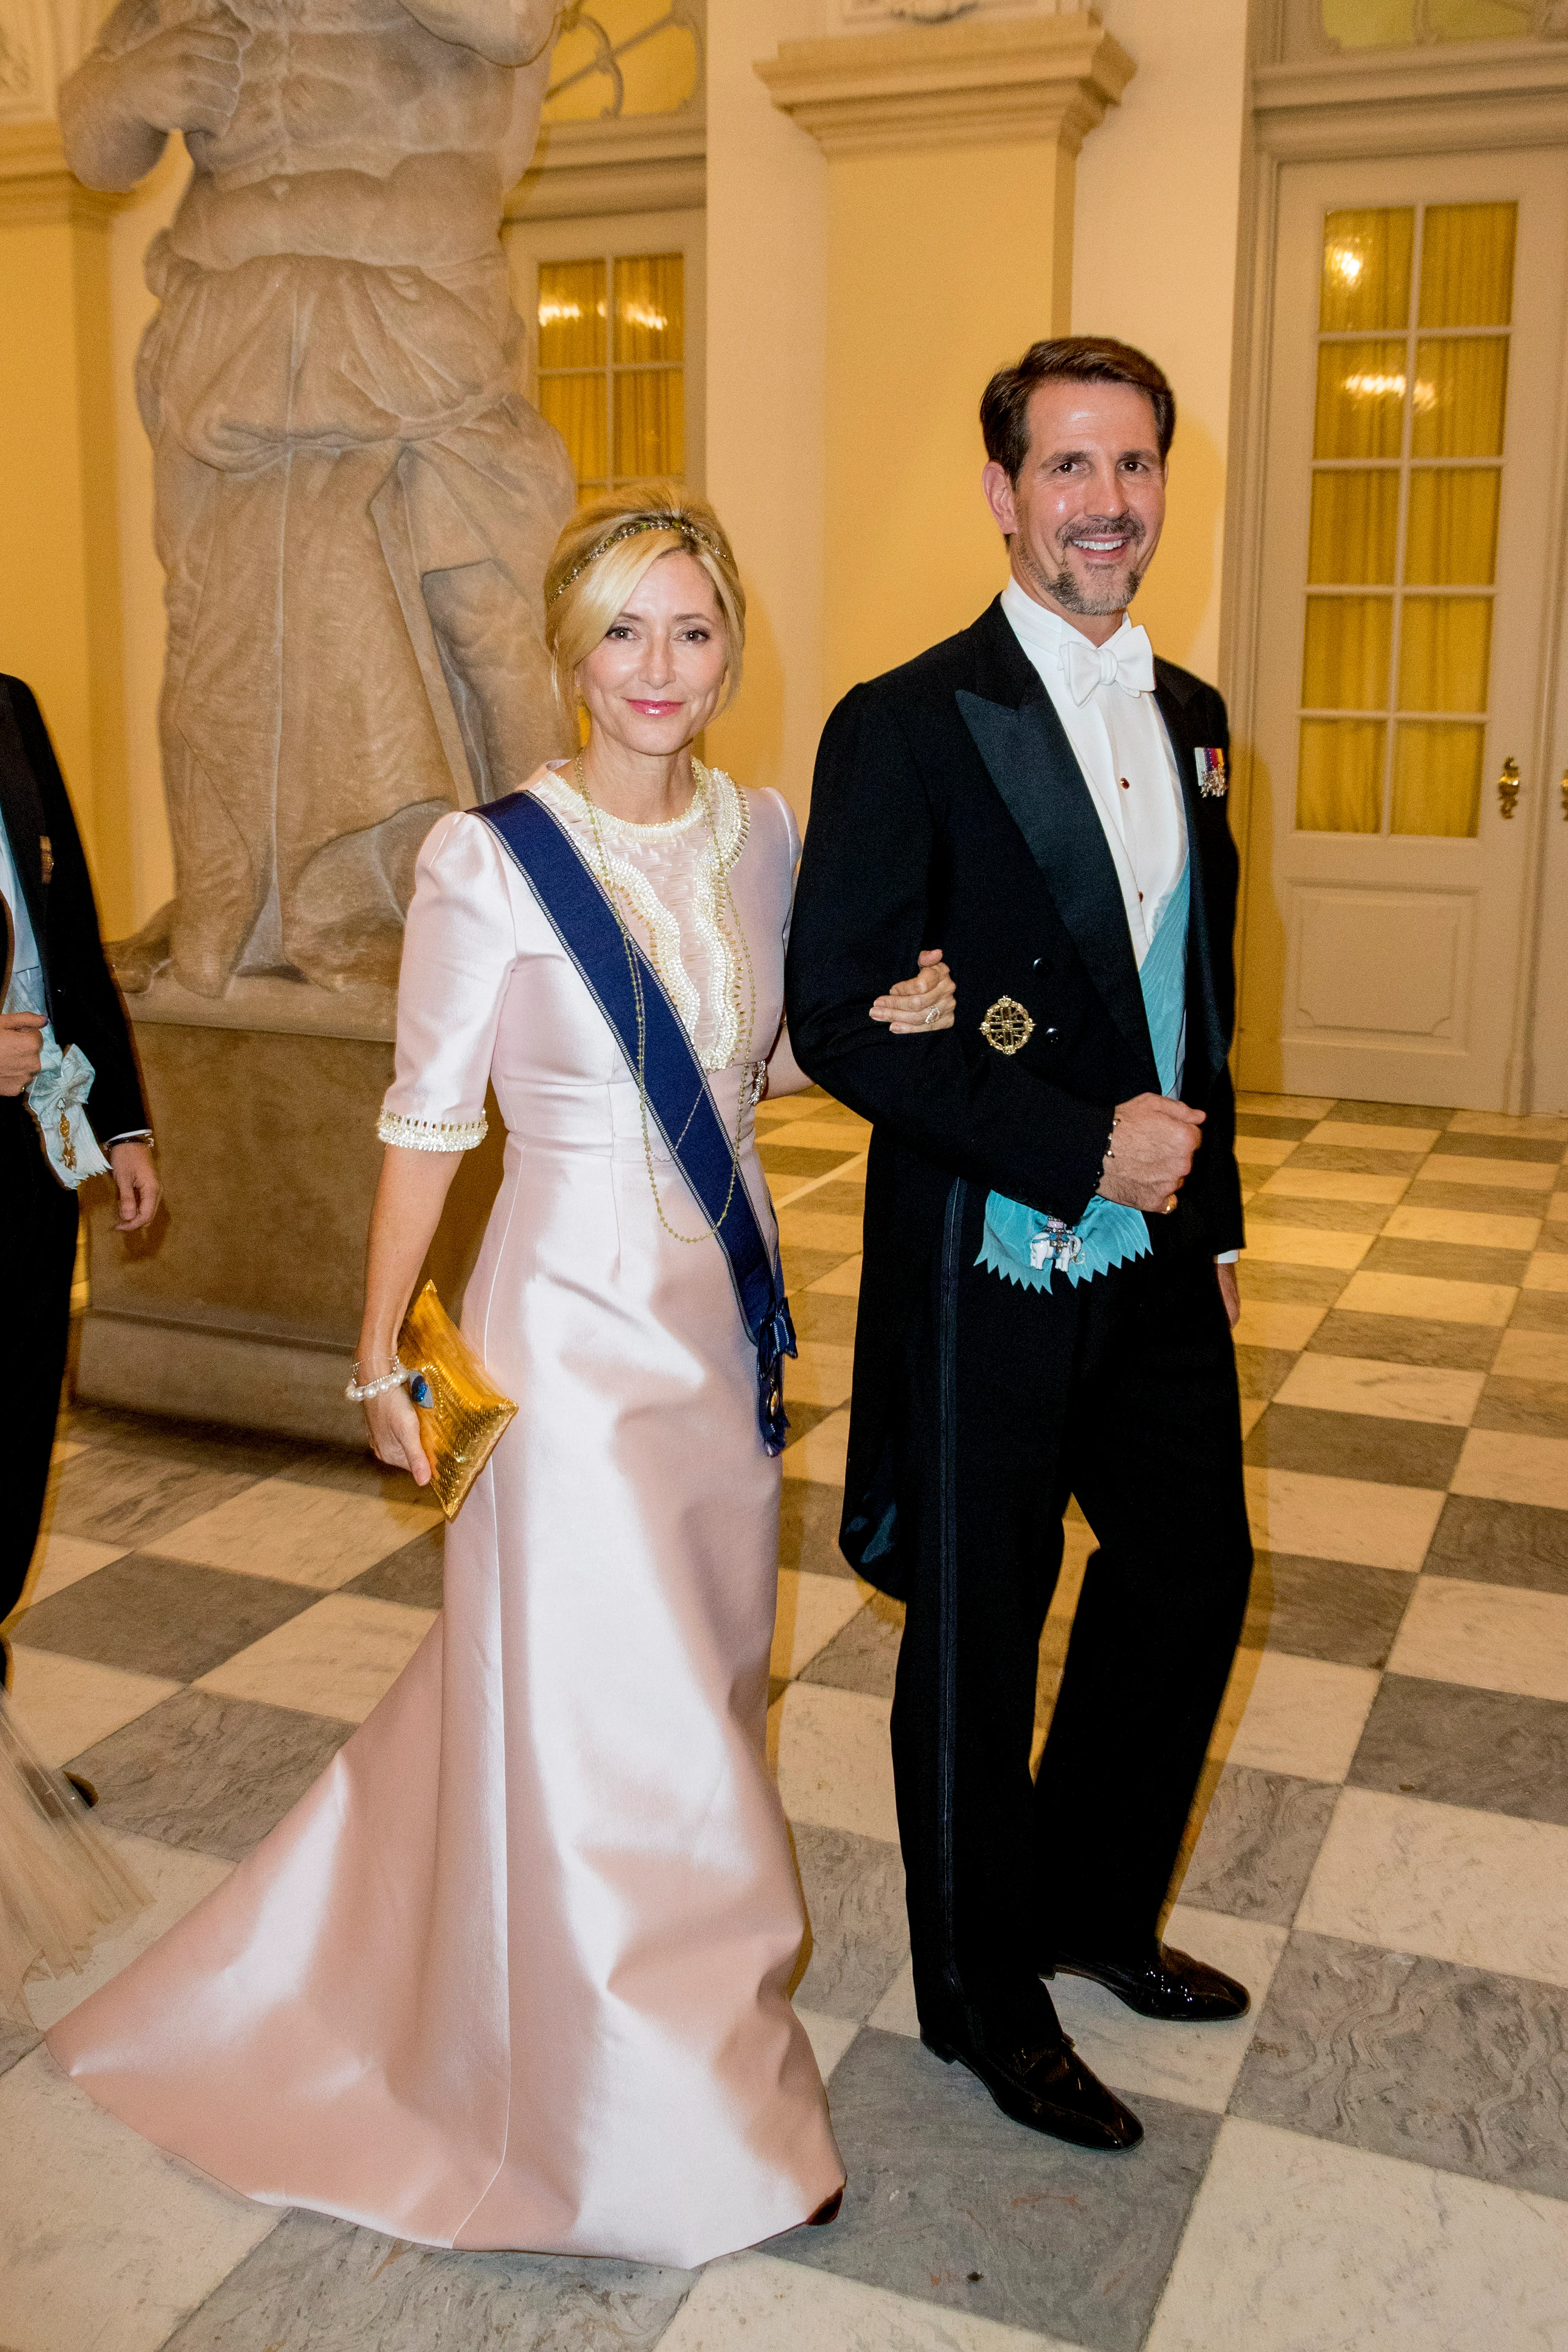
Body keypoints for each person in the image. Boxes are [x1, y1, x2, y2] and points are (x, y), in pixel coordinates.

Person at [49, 488, 956, 2265]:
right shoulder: (488, 858)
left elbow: (748, 1061)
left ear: (729, 649)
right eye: (621, 631)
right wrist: (375, 1347)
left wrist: (875, 1038)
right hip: (556, 1347)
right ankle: (653, 2114)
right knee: (614, 1732)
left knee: (696, 1702)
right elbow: (423, 1123)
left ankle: (645, 2048)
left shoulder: (760, 832)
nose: (657, 668)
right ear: (566, 653)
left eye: (690, 630)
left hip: (716, 1347)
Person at [786, 339, 1254, 2156]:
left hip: (1153, 1257)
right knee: (982, 1630)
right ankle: (981, 1994)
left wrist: (1204, 1215)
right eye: (1066, 466)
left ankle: (1084, 1904)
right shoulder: (904, 721)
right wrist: (1074, 1143)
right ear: (1001, 492)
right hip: (987, 1251)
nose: (1104, 501)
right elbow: (837, 1010)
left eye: (1129, 464)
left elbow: (1200, 1005)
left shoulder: (1196, 713)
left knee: (1190, 1570)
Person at [60, 0, 576, 996]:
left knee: (479, 615)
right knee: (221, 626)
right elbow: (96, 147)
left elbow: (514, 23)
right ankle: (247, 903)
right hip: (229, 316)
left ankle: (552, 918)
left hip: (411, 300)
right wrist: (130, 88)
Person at [0, 674, 160, 1703]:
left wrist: (123, 1123)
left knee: (16, 1432)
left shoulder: (8, 706)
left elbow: (70, 926)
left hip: (31, 1140)